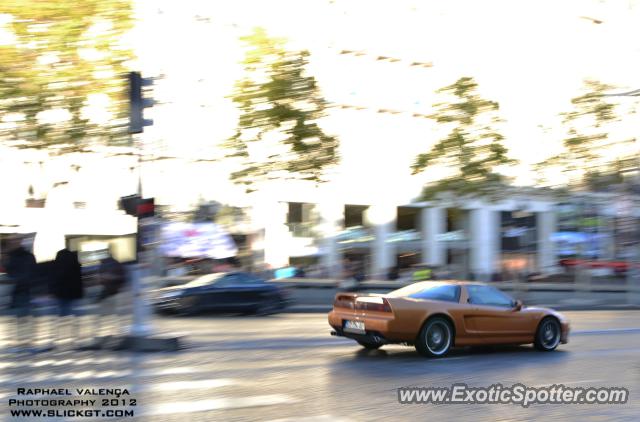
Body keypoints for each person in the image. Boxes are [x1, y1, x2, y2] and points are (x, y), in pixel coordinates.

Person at [4, 236, 37, 351]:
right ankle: (22, 343)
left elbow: (29, 273)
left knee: (23, 317)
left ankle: (24, 343)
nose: (12, 243)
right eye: (10, 241)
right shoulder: (12, 256)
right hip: (17, 290)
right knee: (20, 318)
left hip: (22, 290)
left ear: (20, 242)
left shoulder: (24, 256)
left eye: (14, 241)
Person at [53, 248, 84, 345]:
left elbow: (56, 279)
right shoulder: (76, 265)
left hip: (62, 293)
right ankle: (74, 337)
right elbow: (79, 280)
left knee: (62, 316)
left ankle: (61, 338)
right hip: (74, 293)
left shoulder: (59, 266)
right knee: (74, 316)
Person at [94, 249, 126, 337]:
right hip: (111, 291)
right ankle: (112, 332)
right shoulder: (109, 264)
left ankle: (104, 332)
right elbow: (121, 277)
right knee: (111, 313)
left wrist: (107, 278)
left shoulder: (110, 264)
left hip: (111, 290)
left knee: (105, 313)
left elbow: (120, 277)